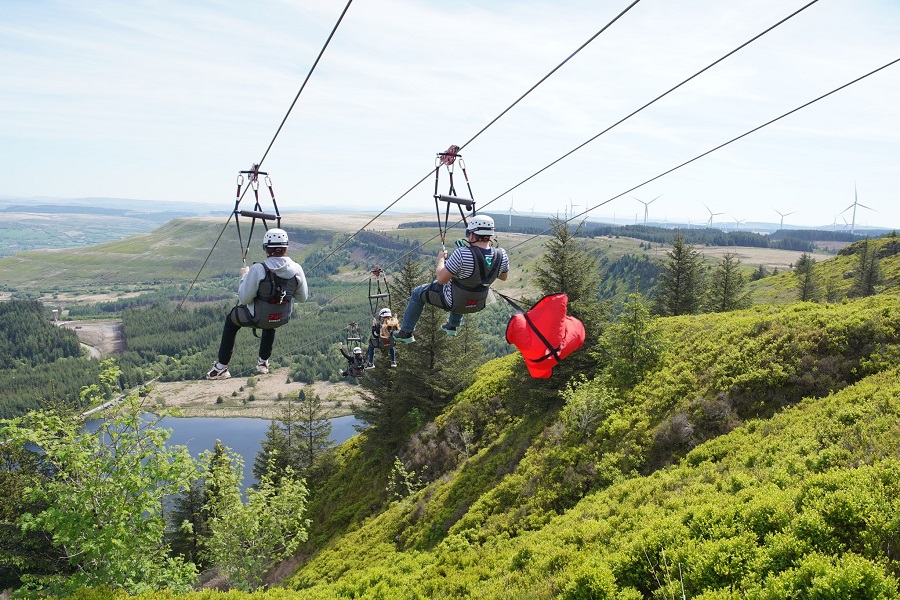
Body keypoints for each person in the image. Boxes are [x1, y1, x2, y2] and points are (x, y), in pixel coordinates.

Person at [206, 228, 308, 380]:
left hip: (257, 317)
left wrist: (244, 277)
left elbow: (244, 298)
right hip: (281, 317)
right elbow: (303, 297)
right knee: (270, 322)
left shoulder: (258, 269)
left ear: (266, 249)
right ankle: (263, 362)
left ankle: (221, 366)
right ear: (286, 248)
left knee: (231, 321)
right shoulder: (297, 268)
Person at [394, 215, 508, 343]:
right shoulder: (501, 254)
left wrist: (441, 259)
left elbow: (441, 278)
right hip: (478, 303)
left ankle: (406, 332)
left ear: (471, 235)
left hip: (453, 301)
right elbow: (503, 277)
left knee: (417, 293)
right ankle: (452, 326)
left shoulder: (462, 253)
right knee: (461, 284)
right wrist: (484, 270)